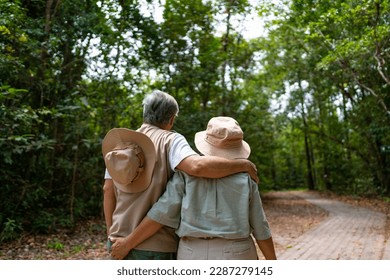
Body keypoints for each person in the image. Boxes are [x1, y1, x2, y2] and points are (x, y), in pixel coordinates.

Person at [102, 90, 259, 260]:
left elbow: (107, 189)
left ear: (144, 113)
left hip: (117, 243)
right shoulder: (170, 140)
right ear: (171, 119)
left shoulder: (121, 144)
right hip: (157, 248)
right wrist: (244, 164)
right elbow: (197, 166)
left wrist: (112, 234)